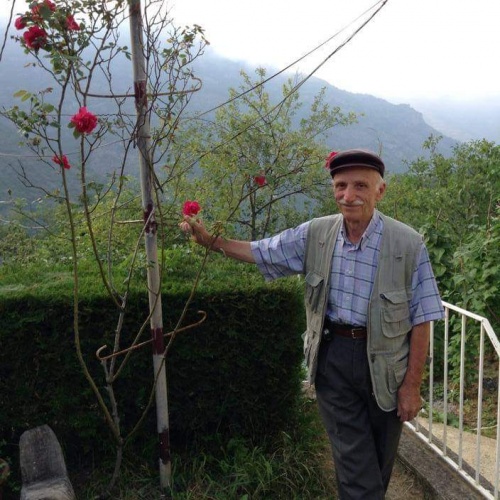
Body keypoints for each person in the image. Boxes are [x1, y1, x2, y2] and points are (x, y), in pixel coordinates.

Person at [180, 149, 445, 499]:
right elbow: (262, 251)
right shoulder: (316, 234)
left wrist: (411, 386)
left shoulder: (408, 243)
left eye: (360, 186)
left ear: (380, 191)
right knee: (356, 467)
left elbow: (423, 317)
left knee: (378, 464)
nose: (348, 196)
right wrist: (210, 241)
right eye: (341, 186)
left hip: (387, 366)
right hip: (334, 358)